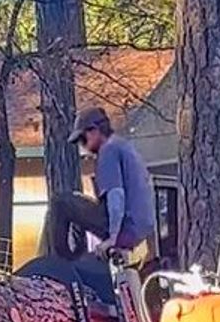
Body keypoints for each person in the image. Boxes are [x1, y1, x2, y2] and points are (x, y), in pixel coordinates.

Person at [40, 106, 157, 263]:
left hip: (124, 227)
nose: (83, 146)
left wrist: (113, 239)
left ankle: (61, 262)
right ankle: (78, 254)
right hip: (137, 228)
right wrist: (152, 249)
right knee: (77, 201)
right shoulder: (125, 147)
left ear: (94, 131)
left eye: (83, 139)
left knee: (60, 202)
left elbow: (116, 196)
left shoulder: (108, 151)